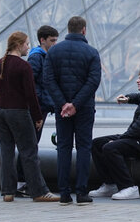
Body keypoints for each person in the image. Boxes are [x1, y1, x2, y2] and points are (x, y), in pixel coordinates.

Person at [0, 32, 57, 203]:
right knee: (29, 152)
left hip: (0, 112)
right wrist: (37, 117)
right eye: (26, 44)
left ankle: (8, 192)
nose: (28, 47)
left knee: (7, 152)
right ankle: (39, 191)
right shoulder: (23, 66)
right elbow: (31, 95)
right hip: (18, 111)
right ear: (18, 45)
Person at [43, 16, 102, 206]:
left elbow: (48, 80)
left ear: (67, 30)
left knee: (63, 148)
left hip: (62, 110)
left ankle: (64, 193)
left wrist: (63, 104)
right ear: (84, 30)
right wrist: (75, 104)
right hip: (83, 108)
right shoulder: (92, 53)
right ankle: (82, 192)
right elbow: (93, 82)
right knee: (84, 148)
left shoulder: (54, 52)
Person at [88, 67, 140, 201]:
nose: (137, 81)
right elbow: (138, 97)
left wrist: (119, 140)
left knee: (110, 147)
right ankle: (110, 184)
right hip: (137, 137)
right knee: (96, 143)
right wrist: (127, 98)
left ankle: (128, 187)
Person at [16, 25, 59, 194]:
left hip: (41, 106)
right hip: (38, 108)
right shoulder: (36, 58)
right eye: (52, 40)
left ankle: (22, 181)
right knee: (30, 145)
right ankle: (22, 181)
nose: (55, 44)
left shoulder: (42, 56)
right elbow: (31, 85)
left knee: (31, 144)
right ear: (42, 40)